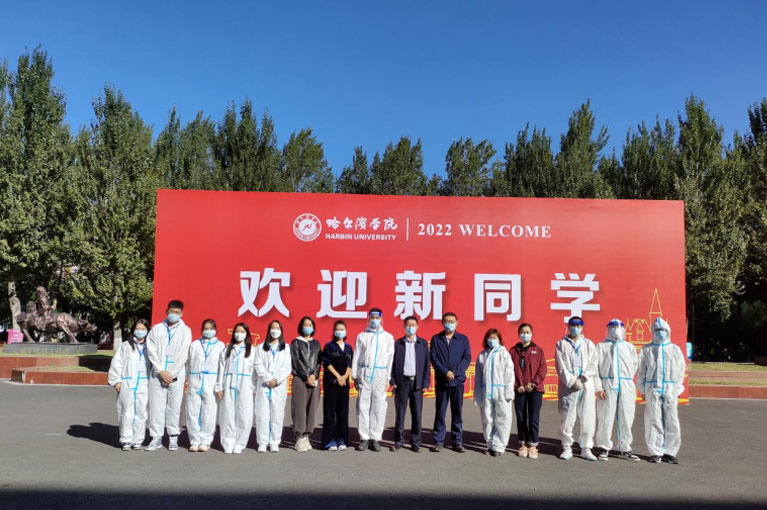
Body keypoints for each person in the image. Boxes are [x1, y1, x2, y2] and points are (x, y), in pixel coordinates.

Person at [145, 300, 193, 451]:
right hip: (158, 374)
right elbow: (151, 350)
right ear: (166, 311)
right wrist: (161, 371)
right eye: (171, 312)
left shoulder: (186, 331)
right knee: (156, 406)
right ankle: (156, 437)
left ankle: (173, 436)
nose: (173, 315)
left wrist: (171, 373)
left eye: (176, 312)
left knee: (175, 406)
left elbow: (184, 353)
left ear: (181, 313)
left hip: (176, 375)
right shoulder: (157, 329)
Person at [637, 317, 685, 464]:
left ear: (668, 331)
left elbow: (681, 370)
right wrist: (642, 390)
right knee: (653, 419)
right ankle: (655, 452)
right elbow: (641, 371)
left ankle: (670, 451)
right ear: (652, 331)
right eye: (657, 330)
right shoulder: (646, 349)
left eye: (663, 330)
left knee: (672, 419)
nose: (660, 332)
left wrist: (677, 388)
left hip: (670, 388)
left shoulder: (675, 349)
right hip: (652, 388)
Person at [595, 319, 640, 461]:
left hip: (626, 385)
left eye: (618, 327)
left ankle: (625, 448)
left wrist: (626, 379)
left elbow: (635, 365)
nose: (616, 330)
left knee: (627, 417)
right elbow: (595, 368)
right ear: (608, 329)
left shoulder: (629, 347)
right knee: (605, 417)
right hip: (607, 384)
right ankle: (604, 447)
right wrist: (599, 387)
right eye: (613, 327)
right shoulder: (601, 346)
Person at [555, 316, 598, 461]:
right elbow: (560, 366)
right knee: (567, 416)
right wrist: (572, 381)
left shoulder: (588, 344)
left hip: (586, 385)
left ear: (582, 327)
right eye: (573, 325)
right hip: (569, 387)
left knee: (588, 416)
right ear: (568, 326)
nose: (575, 328)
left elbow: (593, 363)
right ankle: (567, 447)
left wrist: (583, 378)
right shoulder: (561, 344)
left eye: (578, 325)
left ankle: (586, 448)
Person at [351, 308, 395, 452]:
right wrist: (355, 376)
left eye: (377, 317)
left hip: (380, 375)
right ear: (368, 318)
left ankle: (375, 438)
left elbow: (390, 358)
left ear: (381, 319)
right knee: (362, 406)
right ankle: (364, 437)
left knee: (379, 407)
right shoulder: (362, 336)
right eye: (372, 317)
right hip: (364, 373)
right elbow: (356, 355)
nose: (375, 320)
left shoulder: (388, 337)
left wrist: (388, 377)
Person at [430, 312, 472, 452]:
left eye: (452, 321)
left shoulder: (463, 339)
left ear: (457, 323)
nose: (449, 324)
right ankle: (438, 441)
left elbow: (467, 358)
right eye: (446, 321)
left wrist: (454, 372)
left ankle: (457, 441)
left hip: (457, 381)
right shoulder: (436, 339)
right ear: (442, 323)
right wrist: (445, 372)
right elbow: (434, 358)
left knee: (457, 412)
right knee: (440, 412)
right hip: (442, 381)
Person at [108, 319, 152, 450]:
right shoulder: (126, 346)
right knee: (126, 412)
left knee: (141, 413)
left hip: (144, 383)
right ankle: (126, 439)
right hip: (127, 382)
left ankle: (137, 440)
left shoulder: (150, 347)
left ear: (148, 331)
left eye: (143, 329)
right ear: (133, 330)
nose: (140, 331)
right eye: (137, 329)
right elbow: (117, 363)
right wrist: (116, 380)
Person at [390, 316, 431, 452]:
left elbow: (427, 365)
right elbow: (391, 364)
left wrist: (426, 382)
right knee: (400, 414)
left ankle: (416, 442)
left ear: (417, 327)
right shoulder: (398, 344)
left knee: (417, 414)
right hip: (401, 383)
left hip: (417, 384)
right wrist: (393, 381)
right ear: (404, 327)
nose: (410, 327)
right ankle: (398, 441)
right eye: (408, 325)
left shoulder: (422, 344)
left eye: (413, 325)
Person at [185, 318, 226, 452]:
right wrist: (189, 378)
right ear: (202, 330)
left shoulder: (220, 345)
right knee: (192, 411)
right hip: (195, 380)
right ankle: (194, 440)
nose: (208, 331)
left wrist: (219, 385)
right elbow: (188, 363)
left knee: (209, 412)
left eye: (211, 329)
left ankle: (206, 441)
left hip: (211, 381)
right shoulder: (195, 344)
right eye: (206, 328)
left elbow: (222, 367)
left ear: (215, 330)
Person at [215, 323, 256, 454]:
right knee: (227, 413)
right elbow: (221, 368)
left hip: (244, 383)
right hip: (228, 382)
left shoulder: (251, 350)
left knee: (244, 413)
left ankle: (240, 443)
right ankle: (228, 442)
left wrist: (252, 386)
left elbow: (254, 370)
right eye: (237, 332)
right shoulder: (227, 349)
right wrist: (219, 386)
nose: (239, 334)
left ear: (247, 334)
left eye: (242, 332)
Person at [474, 328, 515, 457]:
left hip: (501, 391)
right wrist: (478, 394)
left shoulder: (504, 354)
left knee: (503, 418)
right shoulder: (482, 355)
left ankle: (500, 445)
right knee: (487, 418)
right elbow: (478, 377)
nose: (492, 340)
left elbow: (509, 374)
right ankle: (490, 443)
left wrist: (508, 392)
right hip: (486, 390)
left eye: (494, 338)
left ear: (499, 339)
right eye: (489, 338)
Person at [510, 323, 547, 459]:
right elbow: (509, 370)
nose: (525, 334)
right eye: (522, 332)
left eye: (527, 332)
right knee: (521, 417)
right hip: (519, 389)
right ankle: (523, 444)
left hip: (535, 389)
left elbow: (542, 368)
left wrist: (534, 383)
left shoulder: (538, 350)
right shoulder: (513, 351)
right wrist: (517, 385)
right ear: (518, 334)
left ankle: (533, 445)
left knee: (533, 417)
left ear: (532, 334)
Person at [254, 320, 292, 453]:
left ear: (281, 331)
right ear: (269, 330)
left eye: (277, 328)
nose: (275, 330)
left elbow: (287, 367)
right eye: (272, 328)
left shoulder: (286, 348)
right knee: (262, 414)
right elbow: (258, 364)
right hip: (264, 384)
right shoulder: (260, 347)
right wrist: (268, 378)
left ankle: (275, 442)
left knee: (277, 414)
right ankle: (262, 442)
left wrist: (276, 379)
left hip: (278, 385)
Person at [321, 320, 354, 451]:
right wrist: (337, 377)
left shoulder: (348, 347)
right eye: (337, 329)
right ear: (334, 331)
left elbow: (350, 364)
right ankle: (330, 441)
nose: (340, 331)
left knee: (343, 412)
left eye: (342, 329)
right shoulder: (329, 346)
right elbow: (327, 363)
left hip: (344, 384)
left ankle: (342, 439)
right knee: (330, 412)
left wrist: (344, 377)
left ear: (345, 332)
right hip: (331, 383)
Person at [290, 316, 322, 452]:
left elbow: (319, 362)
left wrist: (314, 375)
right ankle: (299, 436)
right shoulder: (295, 343)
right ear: (301, 327)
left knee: (312, 408)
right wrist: (306, 375)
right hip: (300, 379)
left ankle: (307, 436)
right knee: (299, 408)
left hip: (314, 380)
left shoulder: (316, 344)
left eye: (310, 325)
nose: (307, 327)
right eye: (305, 325)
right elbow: (296, 360)